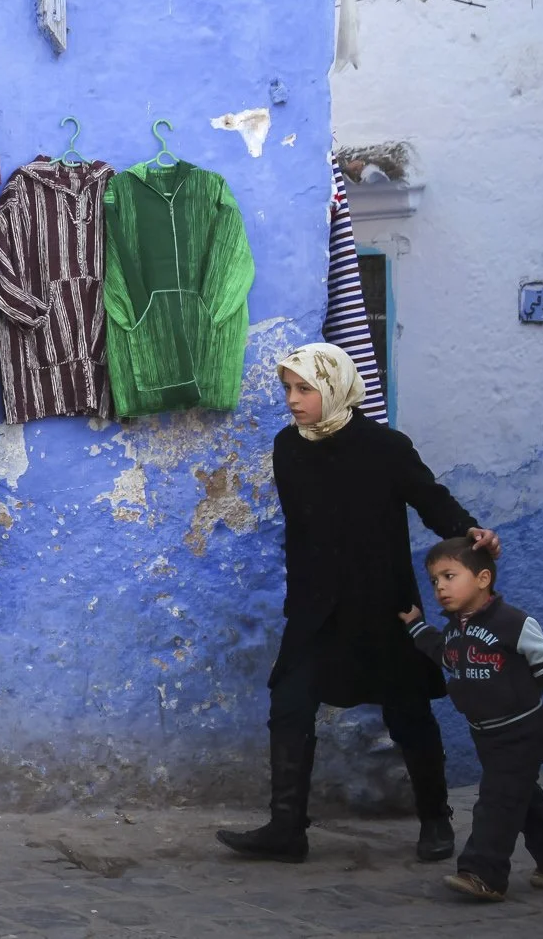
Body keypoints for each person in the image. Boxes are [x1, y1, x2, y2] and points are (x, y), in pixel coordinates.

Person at [217, 343, 501, 865]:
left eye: (304, 388)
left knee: (407, 711)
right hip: (316, 608)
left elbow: (430, 498)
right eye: (288, 389)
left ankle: (436, 819)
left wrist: (467, 532)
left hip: (382, 604)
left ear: (335, 388)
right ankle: (286, 829)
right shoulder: (288, 446)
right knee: (290, 704)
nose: (293, 400)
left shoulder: (385, 447)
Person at [402, 538, 543, 901]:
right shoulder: (453, 630)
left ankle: (483, 873)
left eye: (449, 576)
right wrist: (417, 627)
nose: (440, 587)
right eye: (434, 581)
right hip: (486, 736)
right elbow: (444, 655)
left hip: (523, 732)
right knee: (521, 799)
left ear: (482, 579)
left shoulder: (514, 623)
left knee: (496, 800)